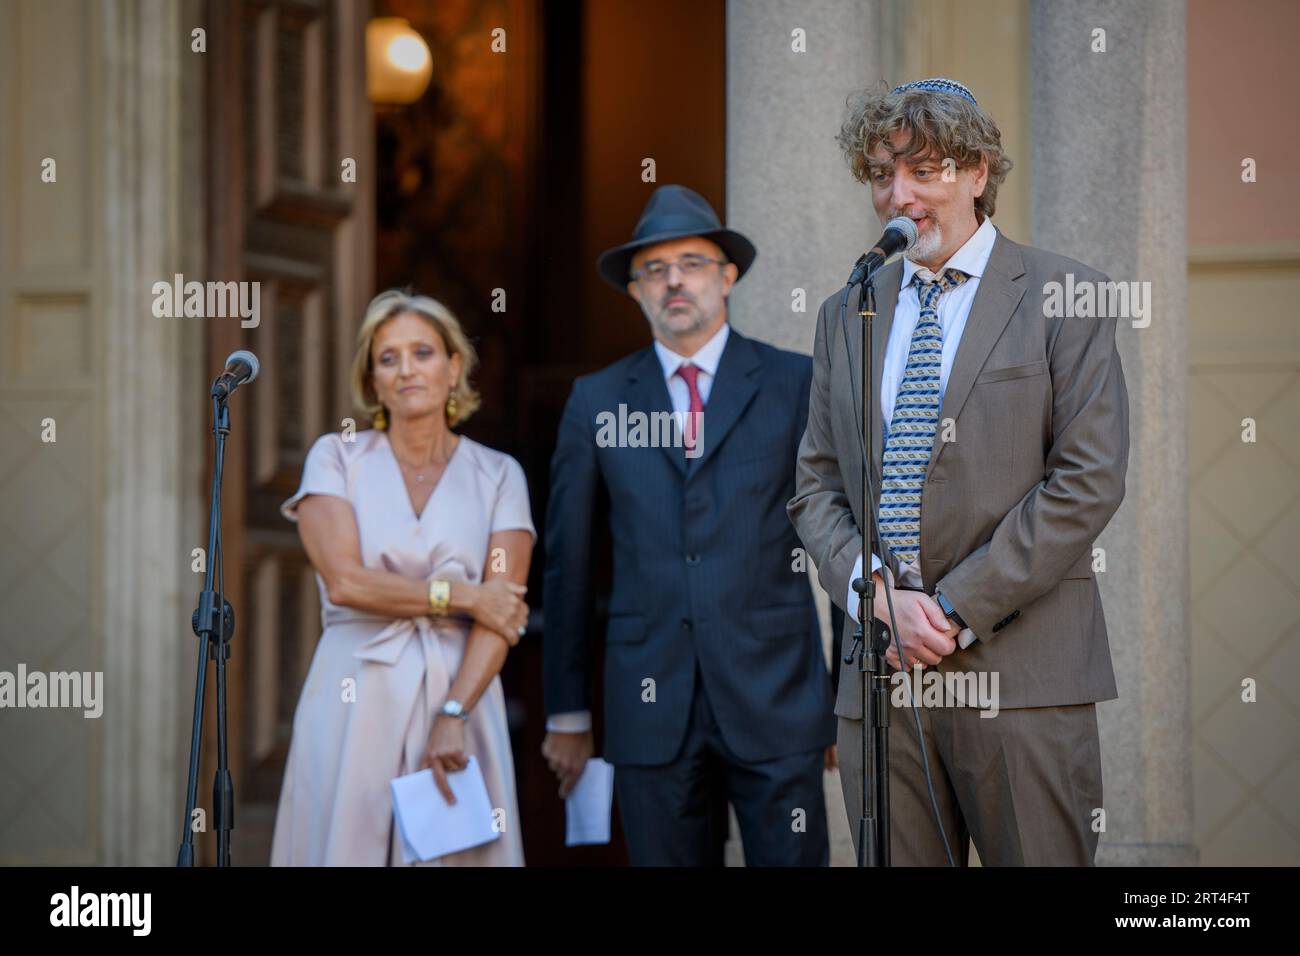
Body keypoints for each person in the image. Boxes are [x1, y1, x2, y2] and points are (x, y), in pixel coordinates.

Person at [788, 78, 1130, 865]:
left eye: (925, 169)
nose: (897, 195)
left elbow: (1086, 481)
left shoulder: (1063, 295)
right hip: (880, 685)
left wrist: (948, 609)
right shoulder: (847, 310)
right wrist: (874, 594)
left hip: (1024, 678)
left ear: (979, 172)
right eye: (881, 174)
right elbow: (815, 489)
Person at [542, 184, 836, 866]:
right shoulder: (596, 401)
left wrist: (842, 695)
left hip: (779, 699)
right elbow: (569, 565)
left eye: (693, 262)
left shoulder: (797, 383)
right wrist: (567, 710)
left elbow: (841, 538)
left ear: (728, 275)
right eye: (654, 268)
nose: (674, 280)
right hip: (649, 708)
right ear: (635, 291)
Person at [271, 289, 535, 866]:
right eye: (388, 358)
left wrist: (454, 713)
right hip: (355, 694)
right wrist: (462, 595)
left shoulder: (498, 476)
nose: (407, 369)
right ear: (371, 381)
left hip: (460, 696)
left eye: (423, 352)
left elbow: (505, 609)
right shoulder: (336, 458)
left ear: (454, 366)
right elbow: (346, 582)